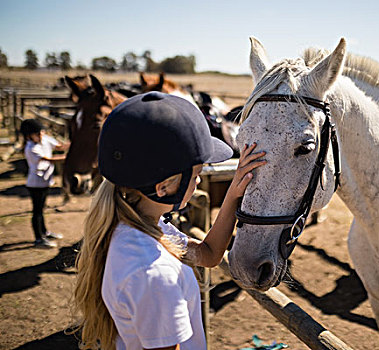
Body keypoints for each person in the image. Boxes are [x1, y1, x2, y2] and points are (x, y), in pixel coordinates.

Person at [72, 92, 266, 350]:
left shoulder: (137, 225)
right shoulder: (154, 273)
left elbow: (208, 255)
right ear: (163, 188)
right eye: (197, 173)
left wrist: (233, 193)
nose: (198, 181)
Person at [21, 119, 69, 248]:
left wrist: (75, 144)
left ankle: (45, 232)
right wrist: (67, 158)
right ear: (29, 136)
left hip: (45, 181)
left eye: (41, 132)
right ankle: (38, 238)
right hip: (35, 183)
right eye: (37, 134)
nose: (41, 135)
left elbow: (60, 146)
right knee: (37, 211)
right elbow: (48, 159)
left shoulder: (45, 139)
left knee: (42, 209)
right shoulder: (30, 148)